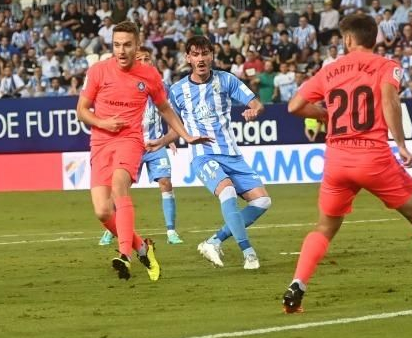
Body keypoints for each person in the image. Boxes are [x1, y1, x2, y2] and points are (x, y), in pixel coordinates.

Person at [283, 13, 412, 313]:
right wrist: (401, 144)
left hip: (337, 160)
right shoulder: (387, 66)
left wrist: (325, 114)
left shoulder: (329, 70)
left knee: (324, 227)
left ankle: (297, 286)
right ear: (375, 38)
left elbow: (294, 106)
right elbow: (389, 100)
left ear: (348, 39)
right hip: (373, 158)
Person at [76, 21, 208, 280]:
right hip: (100, 143)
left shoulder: (149, 75)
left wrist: (186, 136)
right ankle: (142, 248)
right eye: (116, 45)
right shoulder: (98, 71)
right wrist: (103, 123)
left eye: (127, 45)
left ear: (137, 45)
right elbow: (82, 110)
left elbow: (165, 109)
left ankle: (125, 255)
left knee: (119, 186)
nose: (121, 50)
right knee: (102, 211)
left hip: (130, 140)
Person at [160, 36, 273, 270]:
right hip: (203, 155)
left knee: (263, 201)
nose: (200, 59)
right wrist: (161, 141)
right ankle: (248, 253)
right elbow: (176, 127)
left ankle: (214, 241)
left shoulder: (227, 80)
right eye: (195, 54)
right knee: (227, 190)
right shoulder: (178, 90)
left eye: (205, 53)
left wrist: (254, 111)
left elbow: (257, 104)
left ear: (212, 55)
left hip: (232, 153)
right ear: (188, 58)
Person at [99, 52, 182, 248]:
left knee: (165, 182)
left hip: (156, 144)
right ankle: (111, 229)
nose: (144, 62)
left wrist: (169, 137)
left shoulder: (162, 86)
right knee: (120, 188)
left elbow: (169, 112)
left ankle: (171, 231)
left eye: (147, 59)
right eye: (140, 59)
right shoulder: (123, 85)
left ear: (152, 62)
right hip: (131, 145)